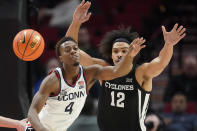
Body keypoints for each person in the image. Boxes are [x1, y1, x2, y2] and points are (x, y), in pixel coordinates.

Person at [65, 0, 186, 130]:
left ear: (134, 51)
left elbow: (161, 62)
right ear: (110, 55)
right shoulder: (104, 69)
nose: (119, 54)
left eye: (124, 50)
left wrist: (168, 45)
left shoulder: (141, 72)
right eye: (115, 51)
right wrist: (75, 23)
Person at [26, 1, 146, 131]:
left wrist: (130, 55)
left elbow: (118, 71)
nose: (73, 51)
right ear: (61, 58)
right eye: (68, 50)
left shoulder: (90, 73)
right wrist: (76, 23)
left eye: (75, 48)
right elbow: (32, 112)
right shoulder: (52, 80)